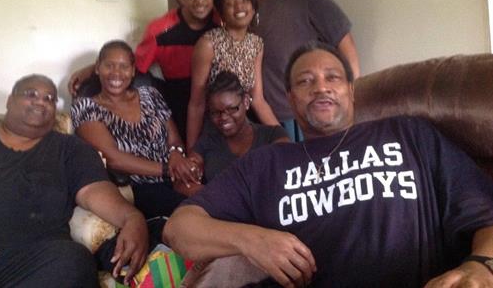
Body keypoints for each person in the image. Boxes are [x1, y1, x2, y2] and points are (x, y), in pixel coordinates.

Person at [164, 42, 493, 287]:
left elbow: (484, 214)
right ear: (291, 100)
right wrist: (251, 240)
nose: (321, 87)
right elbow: (179, 228)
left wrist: (481, 266)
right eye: (305, 82)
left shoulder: (409, 133)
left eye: (332, 78)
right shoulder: (265, 163)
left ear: (351, 91)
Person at [0, 74, 148, 287]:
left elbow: (95, 191)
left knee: (72, 261)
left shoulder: (69, 149)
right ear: (10, 100)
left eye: (49, 98)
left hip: (22, 266)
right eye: (31, 94)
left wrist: (132, 218)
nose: (40, 102)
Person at [69, 0, 218, 142]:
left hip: (218, 98)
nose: (200, 0)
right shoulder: (160, 30)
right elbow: (135, 65)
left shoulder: (222, 21)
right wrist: (94, 68)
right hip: (179, 100)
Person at [240, 0, 360, 141]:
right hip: (273, 117)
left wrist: (351, 96)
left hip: (313, 109)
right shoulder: (246, 14)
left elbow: (345, 43)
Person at [71, 40, 201, 219]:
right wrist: (168, 169)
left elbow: (174, 139)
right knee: (190, 213)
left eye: (124, 66)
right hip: (138, 187)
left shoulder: (150, 94)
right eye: (109, 65)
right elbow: (113, 158)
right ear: (97, 68)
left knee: (212, 200)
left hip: (174, 175)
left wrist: (177, 154)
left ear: (132, 71)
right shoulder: (86, 107)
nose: (116, 73)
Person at [186, 0, 279, 150]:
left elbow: (258, 99)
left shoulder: (256, 44)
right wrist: (192, 150)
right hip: (216, 126)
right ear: (221, 12)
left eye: (244, 1)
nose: (239, 7)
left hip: (244, 125)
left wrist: (282, 135)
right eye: (230, 4)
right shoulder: (208, 43)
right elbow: (197, 103)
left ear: (253, 7)